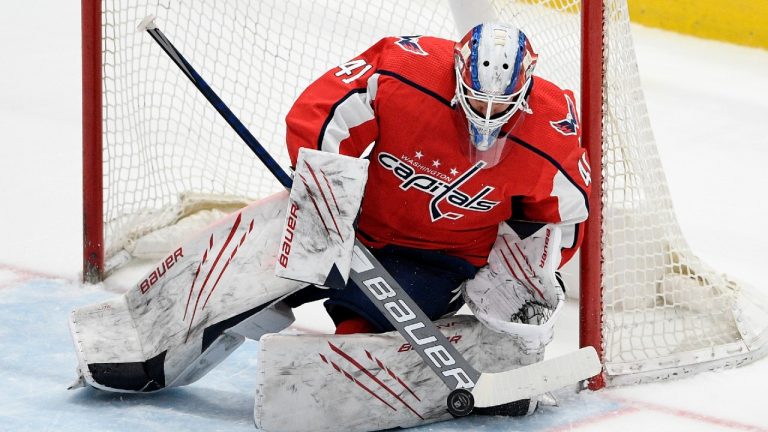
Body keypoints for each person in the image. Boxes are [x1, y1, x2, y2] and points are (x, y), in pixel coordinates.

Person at [282, 22, 592, 336]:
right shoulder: (406, 68)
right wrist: (323, 190)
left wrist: (519, 267)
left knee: (361, 327)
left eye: (499, 104)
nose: (486, 113)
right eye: (476, 98)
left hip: (442, 262)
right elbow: (323, 110)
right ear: (457, 74)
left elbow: (562, 223)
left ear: (525, 90)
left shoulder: (553, 135)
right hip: (355, 224)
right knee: (256, 282)